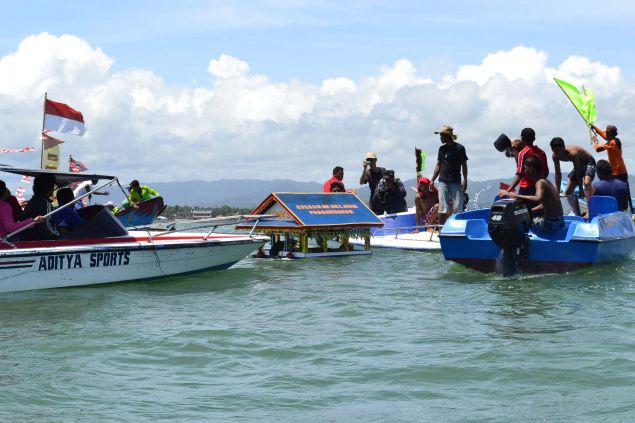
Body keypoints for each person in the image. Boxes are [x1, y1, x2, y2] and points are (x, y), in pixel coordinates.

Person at [500, 155, 564, 233]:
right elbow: (546, 204)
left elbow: (538, 198)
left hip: (551, 224)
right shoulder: (545, 181)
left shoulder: (539, 183)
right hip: (560, 221)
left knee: (519, 228)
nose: (524, 171)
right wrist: (530, 210)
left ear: (531, 170)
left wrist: (515, 195)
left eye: (525, 168)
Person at [430, 125, 468, 224]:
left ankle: (458, 228)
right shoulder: (441, 149)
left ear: (447, 136)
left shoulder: (460, 148)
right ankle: (441, 230)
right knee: (443, 207)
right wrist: (432, 179)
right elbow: (438, 165)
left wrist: (465, 179)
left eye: (441, 136)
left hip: (456, 181)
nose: (440, 138)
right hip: (443, 181)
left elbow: (464, 165)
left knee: (457, 208)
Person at [591, 124, 632, 211]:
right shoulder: (613, 139)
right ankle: (618, 207)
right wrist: (594, 127)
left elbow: (598, 149)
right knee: (618, 190)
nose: (605, 133)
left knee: (624, 192)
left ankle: (629, 211)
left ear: (611, 134)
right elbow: (603, 134)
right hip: (617, 171)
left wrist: (595, 142)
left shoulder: (612, 143)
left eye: (607, 132)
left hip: (619, 172)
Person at [549, 137, 596, 204]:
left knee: (587, 183)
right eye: (555, 151)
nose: (558, 154)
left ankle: (591, 204)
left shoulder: (572, 153)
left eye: (559, 151)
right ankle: (576, 211)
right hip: (579, 164)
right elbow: (558, 173)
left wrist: (580, 189)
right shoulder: (555, 156)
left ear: (563, 147)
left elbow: (578, 171)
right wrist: (557, 191)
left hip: (589, 162)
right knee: (568, 192)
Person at [507, 128, 549, 196]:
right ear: (534, 138)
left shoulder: (523, 153)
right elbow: (546, 172)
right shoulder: (542, 153)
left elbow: (519, 174)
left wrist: (508, 190)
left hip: (526, 189)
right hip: (540, 187)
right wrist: (540, 184)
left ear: (522, 139)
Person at [21, 173, 59, 240]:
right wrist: (58, 237)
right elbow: (46, 227)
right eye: (53, 186)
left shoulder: (33, 201)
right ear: (50, 188)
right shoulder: (44, 203)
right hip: (39, 241)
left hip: (28, 239)